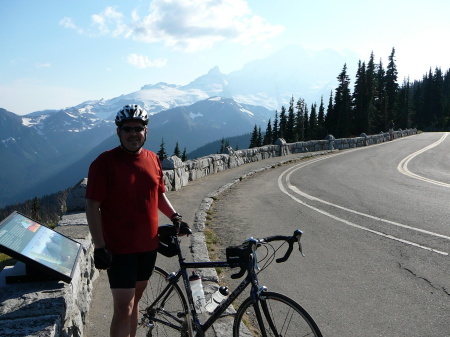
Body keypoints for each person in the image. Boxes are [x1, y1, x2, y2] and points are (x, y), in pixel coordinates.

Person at [85, 104, 183, 337]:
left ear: (146, 131)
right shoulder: (104, 163)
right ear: (118, 132)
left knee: (135, 302)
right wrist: (100, 247)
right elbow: (91, 205)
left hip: (148, 246)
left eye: (138, 128)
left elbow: (158, 194)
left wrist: (175, 216)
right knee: (123, 307)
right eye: (127, 129)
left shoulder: (152, 159)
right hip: (119, 249)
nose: (133, 133)